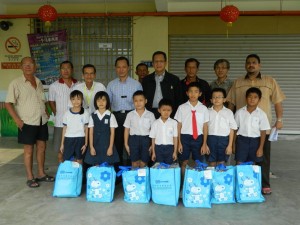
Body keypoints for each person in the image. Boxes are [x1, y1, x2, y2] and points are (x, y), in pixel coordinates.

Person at [227, 54, 286, 195]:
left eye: (254, 63)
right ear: (245, 65)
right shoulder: (238, 82)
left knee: (262, 157)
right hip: (242, 129)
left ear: (259, 65)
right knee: (241, 158)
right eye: (248, 63)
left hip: (262, 129)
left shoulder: (270, 81)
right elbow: (231, 103)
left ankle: (264, 184)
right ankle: (241, 183)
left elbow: (278, 102)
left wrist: (279, 120)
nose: (251, 65)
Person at [5, 57, 54, 188]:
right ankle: (30, 177)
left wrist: (46, 111)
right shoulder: (15, 83)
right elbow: (8, 103)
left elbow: (41, 100)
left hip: (41, 120)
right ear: (21, 67)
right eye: (25, 65)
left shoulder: (38, 82)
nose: (28, 67)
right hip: (27, 122)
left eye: (30, 64)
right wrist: (17, 120)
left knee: (42, 148)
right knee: (28, 150)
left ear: (35, 67)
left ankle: (41, 174)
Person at [106, 56, 142, 166]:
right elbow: (107, 104)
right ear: (115, 68)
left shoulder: (136, 84)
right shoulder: (111, 85)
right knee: (117, 144)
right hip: (116, 117)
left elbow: (140, 104)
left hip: (132, 116)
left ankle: (131, 170)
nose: (121, 70)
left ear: (128, 68)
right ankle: (118, 171)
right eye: (118, 67)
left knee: (132, 144)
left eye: (124, 67)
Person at [174, 82, 209, 179]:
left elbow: (205, 126)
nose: (193, 94)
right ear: (187, 93)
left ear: (200, 94)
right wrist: (179, 142)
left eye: (196, 92)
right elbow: (179, 125)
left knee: (197, 161)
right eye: (191, 92)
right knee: (183, 161)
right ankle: (183, 183)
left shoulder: (204, 108)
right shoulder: (182, 107)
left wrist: (204, 143)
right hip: (184, 137)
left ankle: (195, 182)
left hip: (199, 138)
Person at [49, 60, 78, 163]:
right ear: (60, 70)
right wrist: (57, 114)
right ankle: (61, 170)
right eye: (63, 68)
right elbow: (51, 102)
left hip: (76, 123)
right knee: (60, 149)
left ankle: (74, 171)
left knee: (75, 148)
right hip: (60, 122)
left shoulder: (78, 84)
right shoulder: (54, 86)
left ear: (72, 70)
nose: (65, 71)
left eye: (68, 68)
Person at [234, 87, 270, 165]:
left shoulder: (262, 114)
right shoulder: (239, 112)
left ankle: (250, 177)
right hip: (241, 141)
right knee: (239, 163)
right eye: (250, 96)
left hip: (255, 142)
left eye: (255, 97)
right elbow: (235, 129)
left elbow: (263, 131)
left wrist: (260, 148)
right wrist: (233, 144)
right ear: (246, 98)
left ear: (259, 100)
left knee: (252, 164)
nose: (252, 99)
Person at [142, 51, 182, 118]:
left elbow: (179, 99)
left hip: (168, 114)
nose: (158, 64)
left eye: (161, 61)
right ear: (153, 63)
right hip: (150, 114)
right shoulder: (146, 80)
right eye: (156, 61)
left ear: (165, 63)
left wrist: (175, 115)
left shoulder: (174, 79)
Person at [84, 91, 119, 165]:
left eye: (103, 100)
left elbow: (112, 133)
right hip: (95, 145)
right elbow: (91, 133)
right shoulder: (93, 115)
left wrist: (110, 147)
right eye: (98, 100)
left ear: (107, 102)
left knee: (107, 165)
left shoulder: (111, 115)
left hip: (107, 145)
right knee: (96, 166)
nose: (101, 102)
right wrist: (91, 147)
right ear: (95, 102)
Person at [124, 90, 155, 168]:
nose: (138, 103)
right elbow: (126, 130)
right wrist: (126, 144)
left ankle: (144, 179)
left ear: (146, 101)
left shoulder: (150, 115)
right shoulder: (130, 115)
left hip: (146, 140)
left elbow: (154, 131)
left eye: (141, 100)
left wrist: (152, 145)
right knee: (134, 162)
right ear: (133, 102)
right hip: (133, 139)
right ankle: (134, 179)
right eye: (136, 101)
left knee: (144, 162)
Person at [207, 88, 237, 167]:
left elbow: (232, 129)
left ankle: (220, 179)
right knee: (211, 162)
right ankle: (212, 179)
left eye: (219, 97)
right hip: (210, 139)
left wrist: (230, 145)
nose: (216, 99)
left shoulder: (228, 112)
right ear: (211, 100)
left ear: (224, 100)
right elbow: (204, 128)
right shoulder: (207, 112)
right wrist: (205, 144)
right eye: (214, 97)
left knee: (221, 162)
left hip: (224, 140)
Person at [60, 90, 89, 164]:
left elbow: (86, 129)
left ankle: (79, 175)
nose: (76, 101)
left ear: (82, 100)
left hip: (80, 139)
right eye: (73, 99)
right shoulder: (66, 113)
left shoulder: (85, 113)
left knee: (79, 159)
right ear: (71, 100)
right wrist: (62, 144)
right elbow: (64, 129)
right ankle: (70, 175)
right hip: (69, 139)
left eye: (78, 99)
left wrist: (85, 144)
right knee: (68, 160)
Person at [149, 99, 178, 164]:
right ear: (159, 110)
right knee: (159, 167)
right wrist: (153, 152)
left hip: (170, 148)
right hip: (158, 148)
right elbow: (153, 138)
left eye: (168, 110)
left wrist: (175, 152)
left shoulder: (174, 123)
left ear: (171, 111)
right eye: (164, 110)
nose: (166, 112)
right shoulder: (155, 123)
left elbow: (175, 138)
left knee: (170, 167)